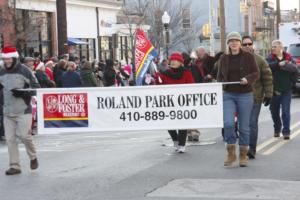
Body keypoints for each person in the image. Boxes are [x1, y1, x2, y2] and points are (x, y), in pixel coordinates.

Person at [217, 32, 259, 167]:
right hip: (228, 94)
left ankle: (243, 155)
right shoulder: (224, 58)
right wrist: (220, 84)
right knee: (228, 123)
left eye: (236, 41)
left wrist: (248, 79)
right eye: (231, 41)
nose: (234, 43)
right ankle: (231, 153)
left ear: (240, 43)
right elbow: (219, 77)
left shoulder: (248, 56)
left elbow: (256, 73)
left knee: (244, 126)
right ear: (228, 43)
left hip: (245, 94)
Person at [0, 47, 40, 175]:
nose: (7, 61)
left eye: (9, 58)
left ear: (14, 58)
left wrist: (23, 93)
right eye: (4, 59)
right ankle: (15, 166)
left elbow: (36, 88)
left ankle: (33, 157)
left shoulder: (25, 71)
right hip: (7, 111)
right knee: (10, 139)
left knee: (25, 136)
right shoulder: (1, 72)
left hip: (23, 110)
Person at [241, 36, 273, 159]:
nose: (247, 46)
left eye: (250, 44)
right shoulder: (234, 59)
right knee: (242, 124)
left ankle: (252, 149)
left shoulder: (260, 60)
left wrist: (269, 94)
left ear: (252, 45)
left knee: (252, 123)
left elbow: (267, 77)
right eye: (245, 44)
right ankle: (243, 147)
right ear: (241, 45)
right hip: (239, 97)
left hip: (255, 97)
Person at [156, 52, 195, 153]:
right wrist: (157, 79)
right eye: (172, 60)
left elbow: (191, 86)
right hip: (168, 102)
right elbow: (159, 87)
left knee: (182, 123)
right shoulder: (164, 74)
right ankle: (175, 139)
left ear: (181, 62)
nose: (173, 62)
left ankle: (182, 144)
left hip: (183, 101)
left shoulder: (187, 72)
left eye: (176, 60)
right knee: (169, 123)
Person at [266, 40, 299, 140]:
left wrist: (292, 83)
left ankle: (286, 132)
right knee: (274, 112)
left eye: (275, 46)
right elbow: (267, 67)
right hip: (274, 90)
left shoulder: (289, 58)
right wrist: (279, 64)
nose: (273, 48)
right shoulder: (269, 58)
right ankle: (277, 128)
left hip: (286, 90)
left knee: (285, 111)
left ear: (281, 48)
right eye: (272, 47)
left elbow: (295, 70)